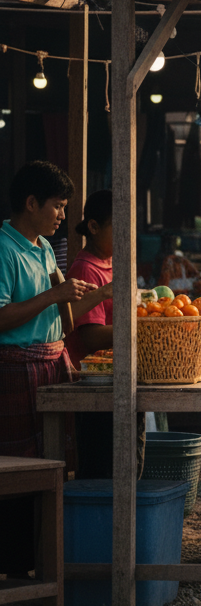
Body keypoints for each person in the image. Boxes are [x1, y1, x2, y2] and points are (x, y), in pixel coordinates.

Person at [0, 161, 104, 578]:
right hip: (15, 368)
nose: (64, 215)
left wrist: (73, 295)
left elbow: (66, 321)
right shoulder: (5, 247)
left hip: (51, 362)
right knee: (17, 469)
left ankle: (44, 560)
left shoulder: (44, 248)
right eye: (58, 206)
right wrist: (54, 293)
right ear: (31, 203)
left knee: (53, 463)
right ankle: (14, 566)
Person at [63, 190, 142, 480]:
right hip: (96, 386)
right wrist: (138, 332)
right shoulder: (86, 268)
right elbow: (90, 337)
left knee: (129, 467)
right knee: (102, 470)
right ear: (94, 228)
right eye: (118, 227)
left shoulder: (113, 263)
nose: (126, 236)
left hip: (118, 378)